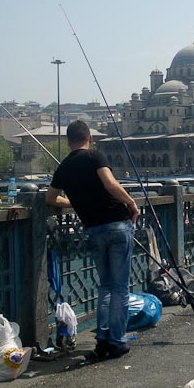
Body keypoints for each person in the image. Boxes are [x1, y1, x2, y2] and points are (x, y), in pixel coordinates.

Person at [46, 120, 140, 360]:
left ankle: (102, 340)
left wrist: (74, 203)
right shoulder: (95, 156)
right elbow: (110, 184)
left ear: (68, 141)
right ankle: (117, 341)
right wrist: (130, 202)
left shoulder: (64, 167)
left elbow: (51, 199)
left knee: (105, 287)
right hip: (117, 226)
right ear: (89, 138)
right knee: (120, 288)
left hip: (94, 231)